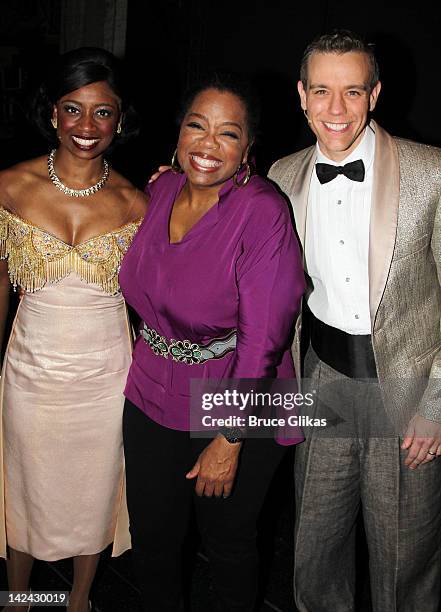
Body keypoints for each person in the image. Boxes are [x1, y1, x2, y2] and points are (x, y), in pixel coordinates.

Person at [268, 30, 441, 612]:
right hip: (323, 382)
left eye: (351, 92)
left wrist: (437, 406)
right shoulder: (282, 175)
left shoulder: (431, 171)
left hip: (411, 391)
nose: (335, 109)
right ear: (301, 95)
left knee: (405, 564)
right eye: (321, 91)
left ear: (375, 94)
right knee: (314, 552)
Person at [119, 74, 305, 611]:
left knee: (228, 547)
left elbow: (263, 341)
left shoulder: (262, 211)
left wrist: (229, 439)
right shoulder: (158, 190)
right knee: (153, 543)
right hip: (151, 387)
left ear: (249, 147)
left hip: (238, 394)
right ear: (178, 133)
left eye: (228, 134)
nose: (207, 144)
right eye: (197, 126)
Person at [0, 47, 148, 612]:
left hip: (107, 374)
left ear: (120, 118)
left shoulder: (138, 201)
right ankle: (19, 598)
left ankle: (78, 601)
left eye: (102, 112)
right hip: (30, 369)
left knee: (94, 491)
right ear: (53, 112)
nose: (87, 127)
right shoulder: (10, 186)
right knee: (24, 485)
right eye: (73, 109)